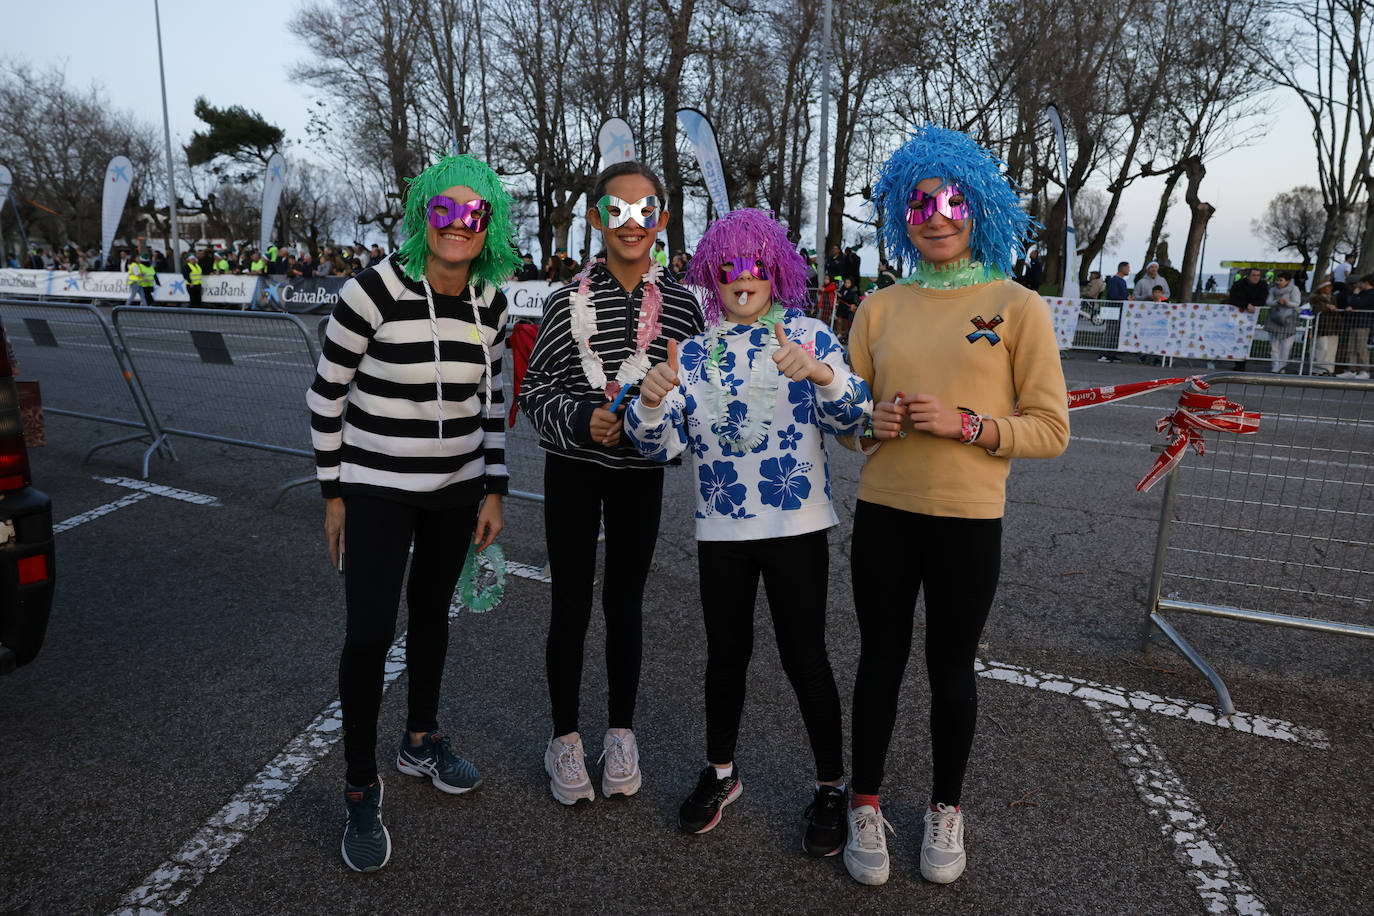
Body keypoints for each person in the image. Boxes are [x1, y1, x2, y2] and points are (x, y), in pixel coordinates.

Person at [841, 124, 1069, 887]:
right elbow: (846, 424)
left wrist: (971, 426)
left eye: (951, 199)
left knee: (951, 671)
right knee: (878, 662)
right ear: (900, 214)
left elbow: (1051, 429)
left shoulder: (1018, 305)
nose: (935, 214)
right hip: (885, 516)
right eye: (918, 202)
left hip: (969, 524)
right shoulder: (877, 306)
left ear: (979, 206)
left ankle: (946, 808)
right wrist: (866, 424)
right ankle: (864, 805)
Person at [624, 207, 871, 852]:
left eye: (756, 265)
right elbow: (661, 448)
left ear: (777, 269)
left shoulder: (811, 334)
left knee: (805, 656)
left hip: (797, 526)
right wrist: (650, 401)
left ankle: (830, 784)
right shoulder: (696, 352)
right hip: (722, 530)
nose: (742, 279)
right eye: (727, 267)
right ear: (711, 274)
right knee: (725, 655)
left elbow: (856, 416)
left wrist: (822, 373)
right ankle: (722, 772)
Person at [306, 153, 518, 873]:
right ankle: (361, 787)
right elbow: (325, 396)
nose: (458, 225)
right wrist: (333, 492)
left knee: (432, 618)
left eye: (473, 214)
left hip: (457, 492)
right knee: (368, 636)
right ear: (422, 212)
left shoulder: (491, 303)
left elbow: (491, 403)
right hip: (375, 491)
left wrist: (495, 488)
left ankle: (419, 740)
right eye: (444, 211)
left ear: (489, 225)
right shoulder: (370, 292)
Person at [518, 161, 703, 806]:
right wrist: (579, 418)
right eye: (616, 212)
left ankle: (620, 732)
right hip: (572, 470)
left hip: (638, 478)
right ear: (596, 219)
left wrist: (661, 415)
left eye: (644, 211)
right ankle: (564, 738)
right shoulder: (563, 299)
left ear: (663, 220)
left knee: (625, 602)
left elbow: (695, 399)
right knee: (570, 600)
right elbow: (533, 393)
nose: (631, 224)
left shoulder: (681, 303)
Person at [1226, 268, 1267, 370]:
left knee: (1247, 339)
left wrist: (1253, 305)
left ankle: (1243, 361)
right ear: (1248, 276)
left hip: (1252, 316)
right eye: (1254, 275)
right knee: (1237, 339)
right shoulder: (1239, 284)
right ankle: (1238, 363)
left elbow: (1262, 299)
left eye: (1258, 275)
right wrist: (1246, 305)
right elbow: (1233, 299)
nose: (1256, 277)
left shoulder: (1262, 285)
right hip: (1238, 315)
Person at [1335, 274, 1373, 379]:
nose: (1359, 285)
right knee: (1351, 347)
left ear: (1367, 283)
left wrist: (1355, 296)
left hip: (1363, 324)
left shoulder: (1371, 294)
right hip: (1354, 323)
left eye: (1362, 282)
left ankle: (1365, 370)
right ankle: (1351, 369)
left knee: (1361, 348)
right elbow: (1352, 303)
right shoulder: (1362, 293)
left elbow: (1358, 304)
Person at [1264, 271, 1301, 373]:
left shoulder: (1294, 289)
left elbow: (1296, 303)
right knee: (1274, 345)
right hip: (1274, 319)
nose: (1279, 282)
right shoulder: (1273, 289)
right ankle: (1275, 366)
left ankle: (1282, 366)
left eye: (1281, 280)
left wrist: (1286, 303)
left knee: (1286, 346)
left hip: (1288, 320)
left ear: (1288, 281)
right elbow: (1268, 302)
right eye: (1278, 280)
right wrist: (1277, 302)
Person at [1309, 276, 1339, 375]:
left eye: (1330, 287)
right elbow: (1315, 308)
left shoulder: (1333, 297)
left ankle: (1329, 369)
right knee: (1322, 348)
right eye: (1327, 287)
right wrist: (1326, 307)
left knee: (1331, 349)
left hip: (1333, 326)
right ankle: (1317, 369)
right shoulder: (1315, 298)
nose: (1329, 289)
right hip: (1321, 326)